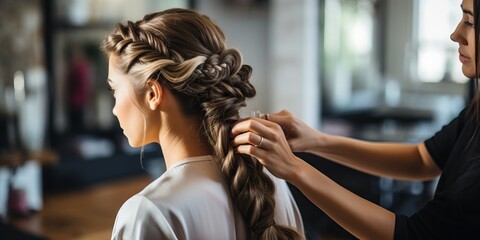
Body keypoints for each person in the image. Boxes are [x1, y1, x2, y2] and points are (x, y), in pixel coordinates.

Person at [232, 0, 480, 239]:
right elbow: (422, 160)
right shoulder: (476, 110)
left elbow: (413, 235)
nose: (455, 34)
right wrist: (316, 141)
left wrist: (295, 170)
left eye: (470, 21)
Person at [102, 8, 304, 240]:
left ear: (152, 94)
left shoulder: (148, 212)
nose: (115, 109)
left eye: (115, 89)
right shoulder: (271, 181)